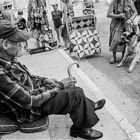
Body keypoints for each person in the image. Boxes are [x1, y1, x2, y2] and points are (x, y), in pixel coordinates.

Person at [0, 19, 106, 139]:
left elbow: (30, 77)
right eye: (18, 42)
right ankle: (80, 129)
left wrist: (46, 81)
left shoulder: (10, 59)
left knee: (70, 87)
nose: (21, 45)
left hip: (33, 96)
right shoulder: (1, 74)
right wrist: (59, 85)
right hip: (28, 111)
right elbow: (30, 100)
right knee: (75, 93)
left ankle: (88, 107)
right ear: (5, 44)